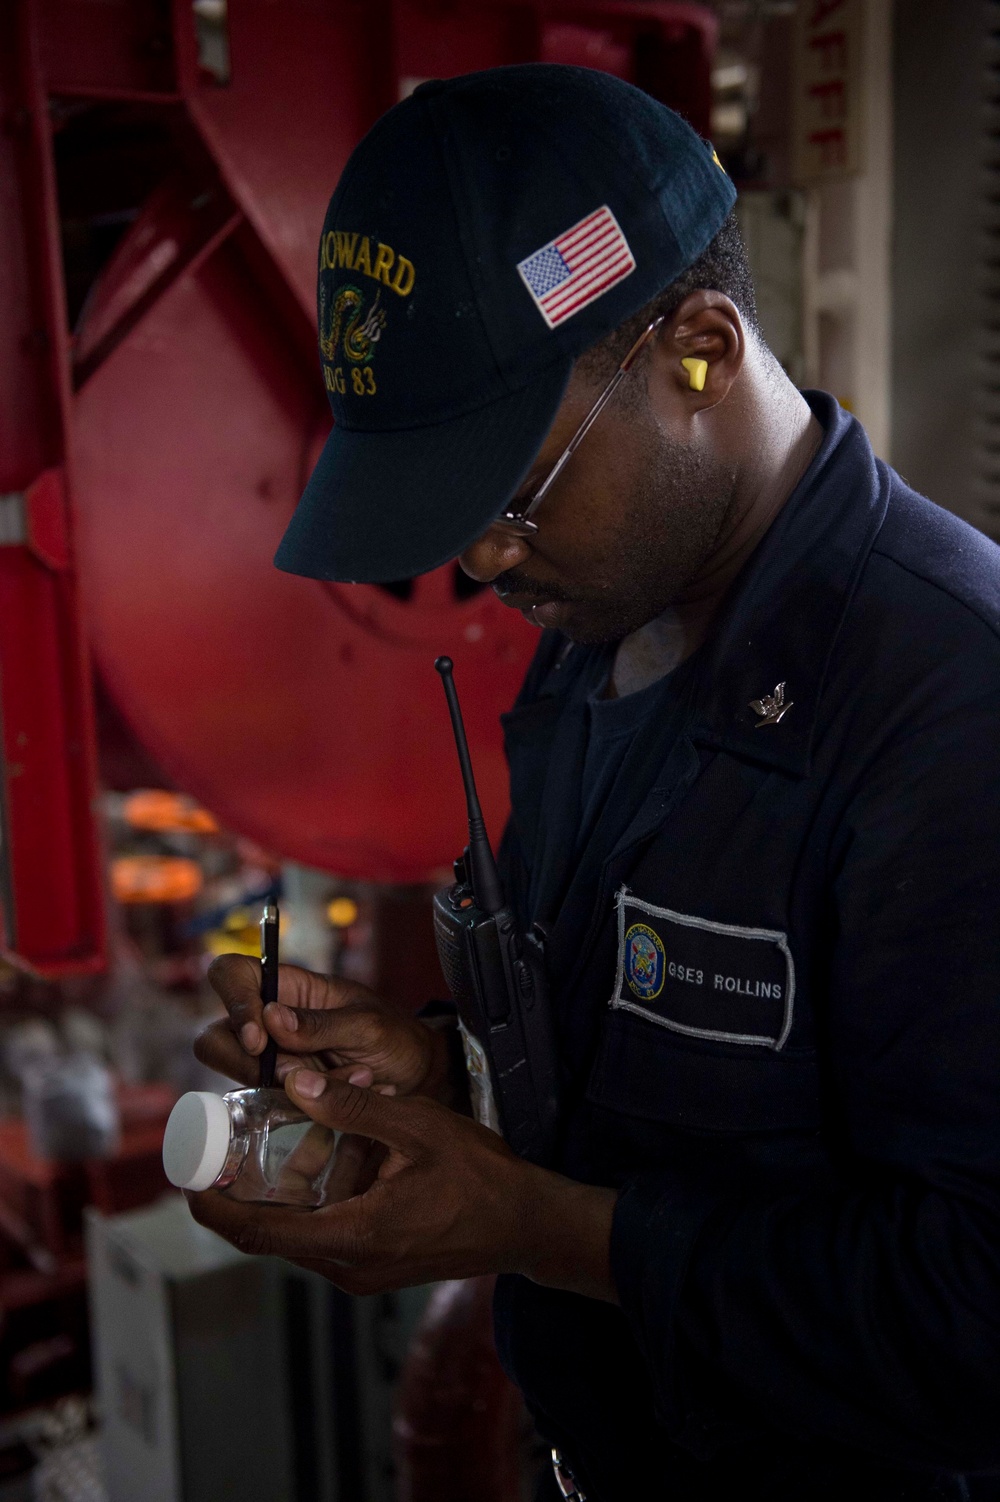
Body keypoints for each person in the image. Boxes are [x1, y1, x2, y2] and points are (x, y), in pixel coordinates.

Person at [190, 66, 1000, 1502]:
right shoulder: (601, 623)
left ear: (694, 349)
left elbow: (975, 1316)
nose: (481, 564)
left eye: (510, 495)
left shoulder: (949, 708)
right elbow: (650, 1065)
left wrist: (541, 1226)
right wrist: (450, 1070)